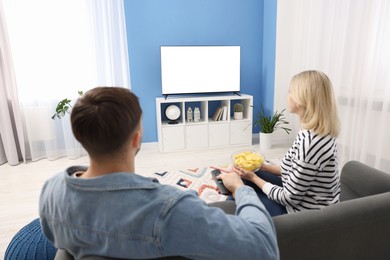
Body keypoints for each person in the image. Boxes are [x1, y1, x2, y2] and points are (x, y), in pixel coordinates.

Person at [39, 87, 279, 259]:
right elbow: (262, 248)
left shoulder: (51, 191)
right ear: (136, 139)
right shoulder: (169, 208)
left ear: (81, 137)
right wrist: (241, 189)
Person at [221, 70, 341, 216]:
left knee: (241, 192)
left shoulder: (311, 143)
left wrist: (251, 179)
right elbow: (287, 168)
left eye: (291, 91)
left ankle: (232, 217)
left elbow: (289, 198)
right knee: (242, 178)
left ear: (303, 98)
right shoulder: (311, 131)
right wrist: (260, 167)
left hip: (301, 213)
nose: (288, 96)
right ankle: (231, 205)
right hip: (298, 197)